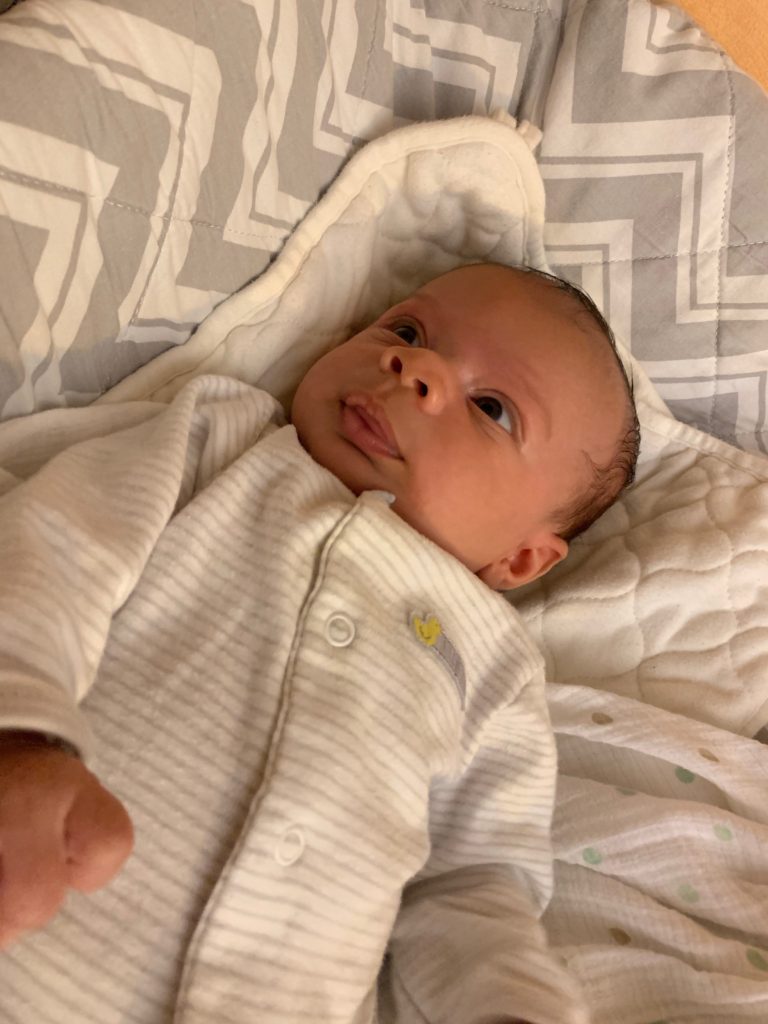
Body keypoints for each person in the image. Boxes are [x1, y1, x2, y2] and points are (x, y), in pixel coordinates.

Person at [0, 263, 638, 1024]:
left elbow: (474, 880)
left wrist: (504, 1000)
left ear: (522, 559)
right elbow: (56, 549)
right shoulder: (223, 443)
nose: (414, 367)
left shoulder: (494, 668)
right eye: (407, 330)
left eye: (492, 408)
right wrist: (22, 736)